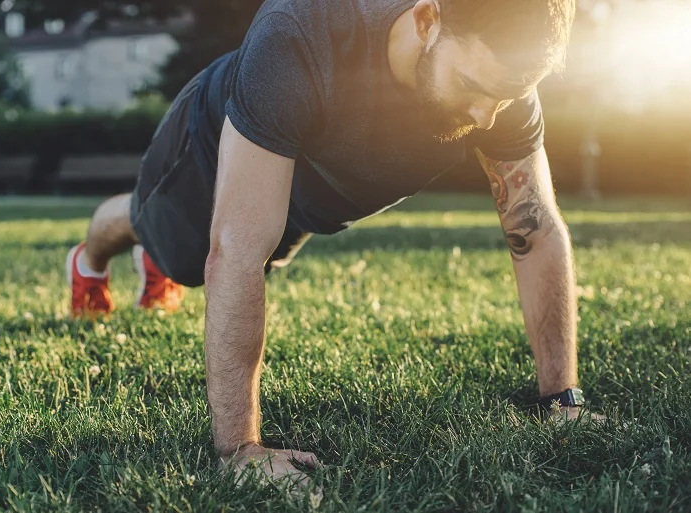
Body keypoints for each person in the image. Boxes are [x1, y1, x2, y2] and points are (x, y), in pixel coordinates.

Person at [66, 0, 591, 486]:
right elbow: (237, 251)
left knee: (240, 250)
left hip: (315, 194)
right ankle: (91, 261)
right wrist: (240, 451)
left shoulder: (500, 92)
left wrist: (561, 397)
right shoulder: (297, 35)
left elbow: (536, 228)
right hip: (216, 138)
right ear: (427, 19)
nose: (486, 117)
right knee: (173, 245)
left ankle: (159, 251)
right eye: (472, 84)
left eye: (504, 97)